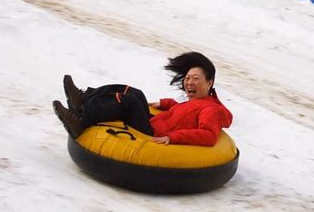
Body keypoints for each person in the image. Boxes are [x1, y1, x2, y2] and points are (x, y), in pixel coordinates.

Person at [53, 52, 233, 146]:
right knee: (135, 93)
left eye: (196, 79)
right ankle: (83, 98)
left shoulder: (212, 109)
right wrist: (166, 104)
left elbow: (208, 136)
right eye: (187, 78)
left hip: (153, 132)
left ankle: (82, 121)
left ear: (209, 83)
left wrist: (172, 137)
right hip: (153, 122)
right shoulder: (198, 102)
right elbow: (184, 113)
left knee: (129, 102)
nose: (189, 82)